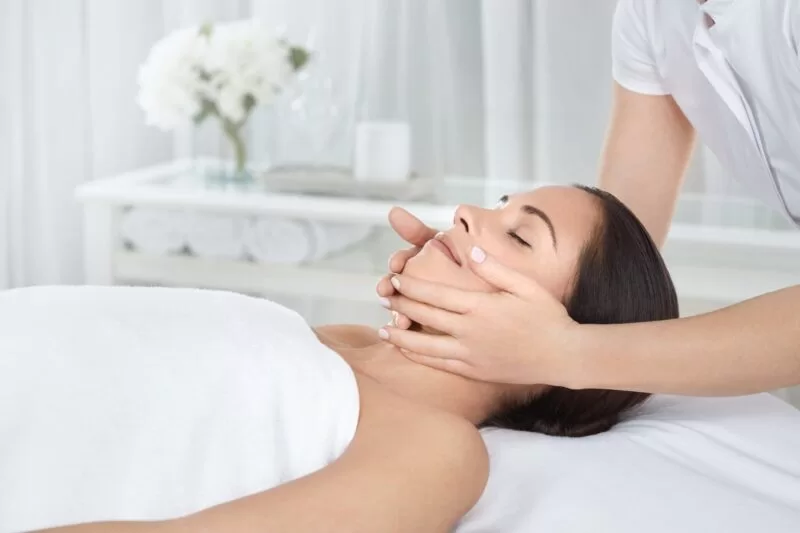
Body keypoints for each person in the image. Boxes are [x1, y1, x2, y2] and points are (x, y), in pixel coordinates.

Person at [3, 185, 676, 533]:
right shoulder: (348, 339)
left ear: (561, 342)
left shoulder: (439, 451)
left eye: (520, 236)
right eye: (501, 203)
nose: (468, 212)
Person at [376, 0, 800, 396]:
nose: (463, 212)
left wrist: (563, 352)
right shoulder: (651, 13)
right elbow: (613, 258)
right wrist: (455, 276)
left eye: (520, 236)